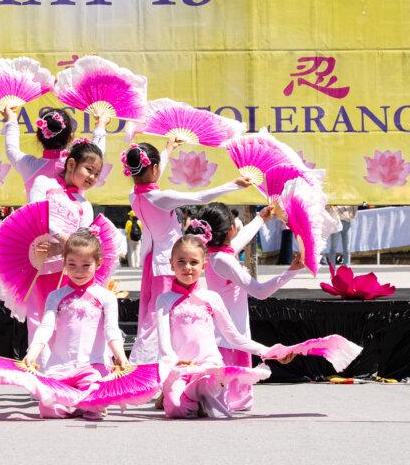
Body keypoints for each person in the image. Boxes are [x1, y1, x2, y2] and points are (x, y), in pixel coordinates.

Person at [122, 141, 254, 363]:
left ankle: (153, 362)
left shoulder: (134, 197)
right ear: (154, 168)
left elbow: (150, 173)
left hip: (153, 262)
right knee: (166, 316)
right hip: (170, 263)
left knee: (154, 315)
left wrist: (167, 150)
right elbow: (200, 198)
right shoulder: (161, 198)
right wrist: (234, 184)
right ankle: (156, 362)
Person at [154, 222, 295, 419]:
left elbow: (235, 337)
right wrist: (175, 361)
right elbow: (163, 341)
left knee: (215, 406)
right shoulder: (164, 300)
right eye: (181, 262)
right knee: (178, 410)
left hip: (209, 366)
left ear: (203, 265)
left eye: (194, 262)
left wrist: (269, 351)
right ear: (171, 264)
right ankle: (182, 397)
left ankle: (196, 396)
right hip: (179, 367)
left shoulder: (212, 298)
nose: (187, 268)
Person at [20, 229, 127, 418]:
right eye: (72, 264)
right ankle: (81, 401)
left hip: (92, 366)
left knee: (94, 401)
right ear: (64, 264)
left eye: (86, 265)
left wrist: (121, 357)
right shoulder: (56, 296)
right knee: (47, 408)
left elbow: (112, 330)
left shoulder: (106, 297)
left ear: (98, 263)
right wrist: (32, 355)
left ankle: (83, 401)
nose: (78, 271)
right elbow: (46, 327)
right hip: (60, 366)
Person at [195, 202, 303, 365]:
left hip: (229, 339)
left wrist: (260, 219)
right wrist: (291, 271)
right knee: (236, 388)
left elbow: (241, 239)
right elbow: (260, 292)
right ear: (231, 229)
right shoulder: (224, 260)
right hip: (231, 343)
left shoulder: (215, 254)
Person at [25, 139, 106, 335]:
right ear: (71, 164)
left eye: (96, 174)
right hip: (39, 261)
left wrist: (61, 247)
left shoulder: (85, 205)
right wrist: (62, 239)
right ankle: (37, 362)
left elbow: (82, 241)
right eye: (89, 169)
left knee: (65, 317)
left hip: (67, 267)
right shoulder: (43, 183)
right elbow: (36, 214)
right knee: (38, 316)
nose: (92, 177)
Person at [1, 105, 107, 200]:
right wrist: (101, 125)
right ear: (70, 137)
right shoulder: (75, 164)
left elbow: (11, 149)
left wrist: (12, 119)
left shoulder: (29, 166)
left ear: (39, 137)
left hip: (36, 221)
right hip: (72, 221)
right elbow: (96, 154)